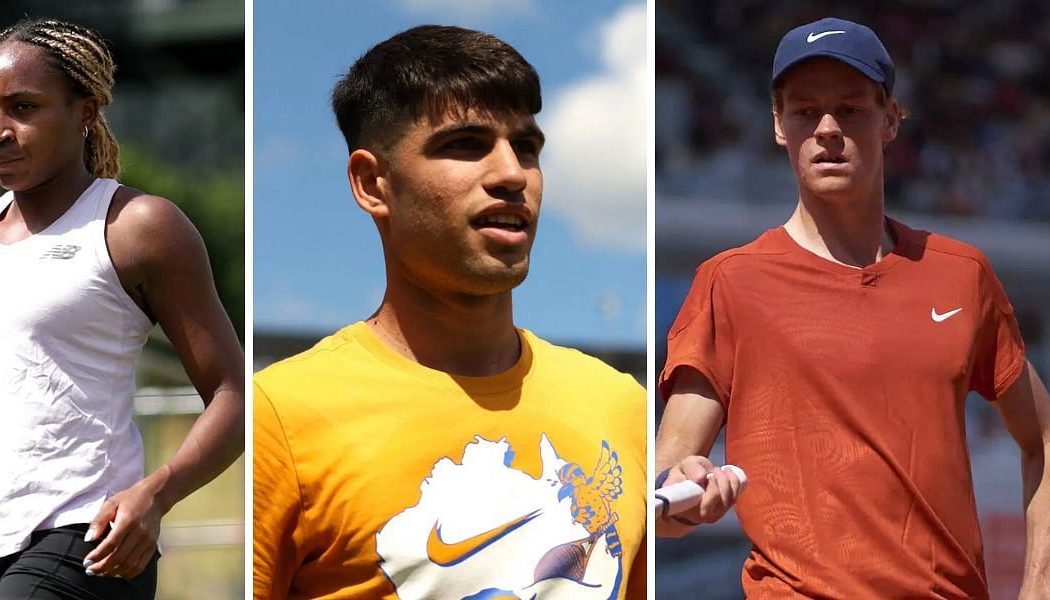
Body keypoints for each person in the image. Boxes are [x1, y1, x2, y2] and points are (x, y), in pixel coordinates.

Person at [655, 16, 1050, 598]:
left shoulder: (962, 275)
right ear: (778, 126)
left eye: (851, 108)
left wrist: (1038, 586)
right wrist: (687, 493)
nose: (828, 128)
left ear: (891, 118)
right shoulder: (729, 282)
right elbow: (664, 487)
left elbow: (1042, 436)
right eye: (805, 110)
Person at [0, 18, 244, 600]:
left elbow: (232, 394)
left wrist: (154, 495)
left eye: (24, 108)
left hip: (90, 535)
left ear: (85, 111)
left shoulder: (138, 227)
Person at [253, 25, 646, 599]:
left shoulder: (620, 408)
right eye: (465, 144)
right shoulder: (282, 419)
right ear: (371, 183)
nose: (513, 174)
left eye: (527, 147)